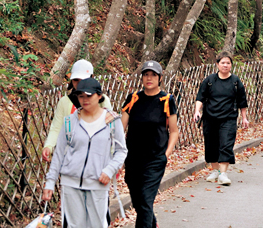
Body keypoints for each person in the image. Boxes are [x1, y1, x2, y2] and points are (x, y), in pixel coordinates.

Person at [42, 78, 127, 228]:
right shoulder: (70, 122)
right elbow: (59, 155)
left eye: (89, 95)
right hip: (70, 184)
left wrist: (109, 170)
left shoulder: (112, 121)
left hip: (98, 184)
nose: (84, 99)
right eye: (80, 96)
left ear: (99, 96)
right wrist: (50, 183)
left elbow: (121, 151)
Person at [121, 60, 179, 228]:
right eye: (146, 74)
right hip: (132, 159)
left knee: (146, 200)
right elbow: (120, 128)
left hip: (155, 159)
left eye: (153, 75)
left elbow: (174, 131)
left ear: (160, 78)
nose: (149, 78)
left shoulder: (167, 100)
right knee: (139, 201)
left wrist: (165, 155)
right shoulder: (133, 98)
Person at [194, 52, 250, 186]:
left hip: (228, 118)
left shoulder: (236, 82)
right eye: (223, 62)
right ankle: (215, 170)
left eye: (228, 63)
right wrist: (197, 111)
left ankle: (223, 174)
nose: (225, 65)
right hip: (210, 117)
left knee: (226, 144)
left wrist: (244, 118)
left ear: (231, 65)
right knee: (211, 144)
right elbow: (200, 98)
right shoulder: (209, 81)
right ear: (217, 64)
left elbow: (242, 102)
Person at [42, 59, 113, 162]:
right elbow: (57, 127)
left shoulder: (102, 100)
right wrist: (49, 146)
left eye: (83, 80)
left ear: (91, 78)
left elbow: (110, 129)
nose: (79, 83)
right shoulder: (65, 102)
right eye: (76, 80)